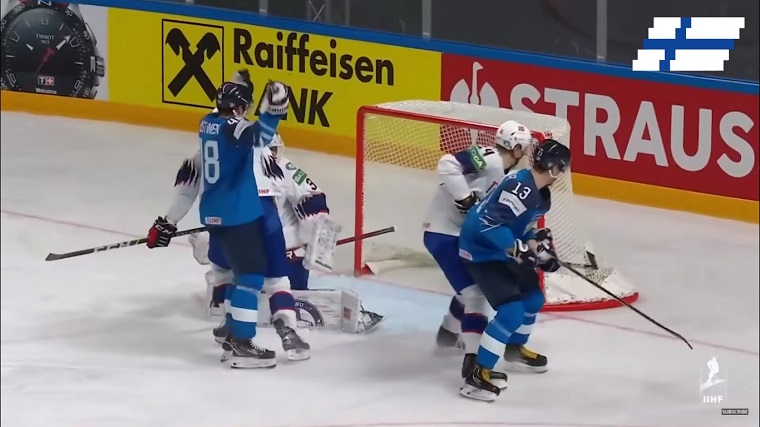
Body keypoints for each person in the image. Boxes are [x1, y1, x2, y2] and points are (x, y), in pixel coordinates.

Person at [146, 70, 306, 368]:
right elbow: (260, 135)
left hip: (213, 214)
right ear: (241, 108)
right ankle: (242, 345)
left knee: (234, 276)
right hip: (238, 214)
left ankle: (232, 331)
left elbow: (187, 188)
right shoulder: (234, 128)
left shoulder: (206, 123)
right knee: (250, 278)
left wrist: (166, 222)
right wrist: (273, 112)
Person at [189, 133, 385, 333]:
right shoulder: (235, 173)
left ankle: (254, 308)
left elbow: (312, 197)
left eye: (275, 151)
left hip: (284, 252)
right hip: (254, 251)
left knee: (289, 292)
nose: (273, 156)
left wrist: (314, 233)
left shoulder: (285, 168)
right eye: (270, 151)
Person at [458, 139, 571, 401]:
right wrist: (517, 249)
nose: (562, 173)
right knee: (511, 312)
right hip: (480, 252)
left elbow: (524, 228)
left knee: (533, 299)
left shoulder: (541, 195)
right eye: (562, 168)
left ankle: (514, 349)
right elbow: (488, 225)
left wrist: (540, 252)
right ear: (554, 168)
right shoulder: (520, 188)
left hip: (502, 250)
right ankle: (477, 375)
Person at [423, 120, 533, 390]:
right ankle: (473, 365)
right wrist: (464, 198)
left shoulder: (506, 177)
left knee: (473, 288)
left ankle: (448, 333)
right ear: (516, 148)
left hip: (460, 234)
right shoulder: (491, 158)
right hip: (443, 232)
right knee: (476, 294)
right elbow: (447, 163)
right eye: (524, 147)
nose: (526, 153)